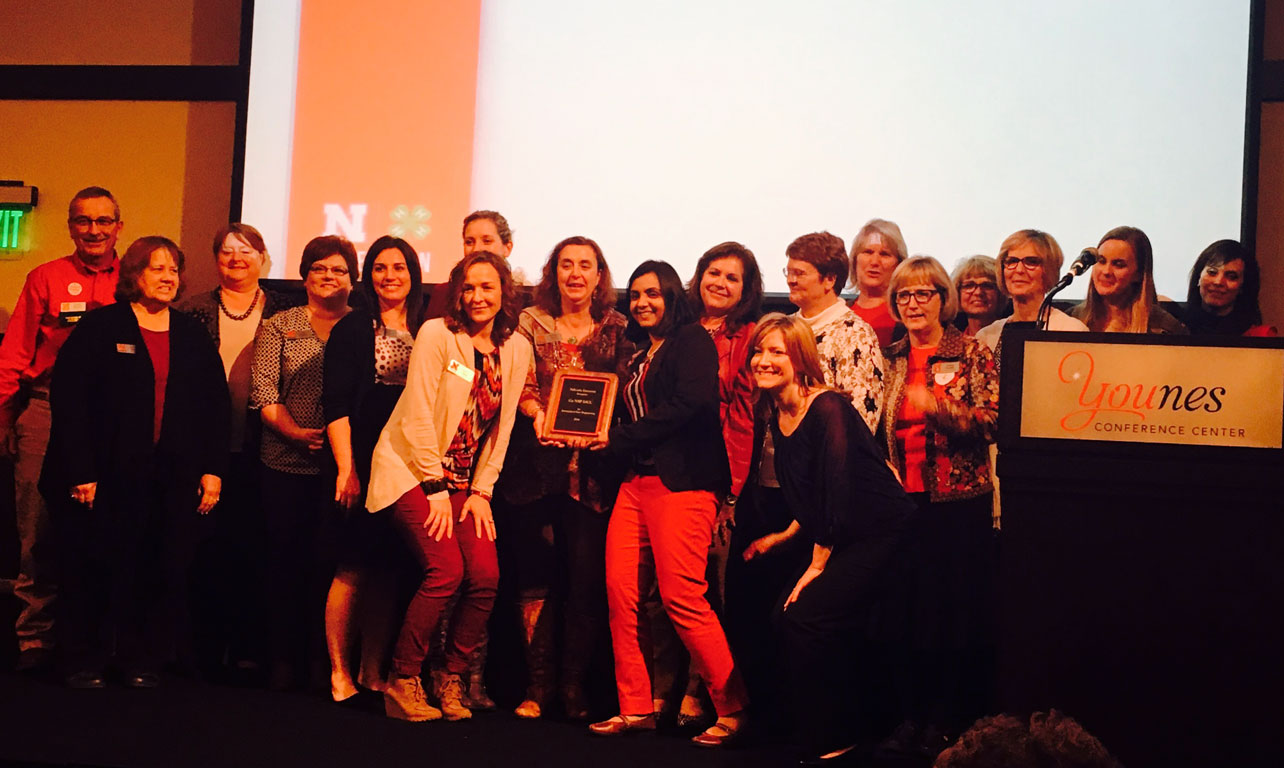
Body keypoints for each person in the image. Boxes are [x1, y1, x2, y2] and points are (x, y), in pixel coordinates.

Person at [43, 235, 229, 688]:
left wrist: (212, 468)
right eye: (156, 268)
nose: (167, 278)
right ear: (133, 275)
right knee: (93, 566)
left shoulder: (191, 334)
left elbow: (213, 406)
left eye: (173, 270)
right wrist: (81, 471)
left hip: (167, 478)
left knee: (157, 567)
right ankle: (83, 659)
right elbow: (70, 402)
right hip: (103, 477)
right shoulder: (101, 327)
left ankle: (141, 659)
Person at [366, 250, 532, 723]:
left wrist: (481, 492)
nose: (478, 296)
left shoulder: (516, 348)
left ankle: (450, 675)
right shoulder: (439, 334)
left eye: (488, 287)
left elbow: (499, 431)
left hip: (464, 481)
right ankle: (403, 678)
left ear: (505, 293)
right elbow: (418, 414)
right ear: (457, 292)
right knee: (446, 572)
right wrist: (435, 486)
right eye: (469, 287)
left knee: (486, 578)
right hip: (411, 471)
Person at [588, 261, 748, 748]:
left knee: (683, 597)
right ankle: (635, 707)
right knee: (621, 593)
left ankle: (734, 707)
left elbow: (692, 405)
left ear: (673, 295)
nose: (642, 302)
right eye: (635, 295)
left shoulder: (692, 340)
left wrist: (615, 438)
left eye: (652, 293)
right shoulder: (638, 352)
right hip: (636, 483)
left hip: (683, 484)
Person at [741, 314, 913, 764]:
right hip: (840, 532)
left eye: (777, 351)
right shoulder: (777, 410)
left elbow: (837, 490)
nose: (764, 360)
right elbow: (811, 488)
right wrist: (784, 535)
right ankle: (825, 729)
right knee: (785, 617)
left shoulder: (828, 408)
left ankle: (838, 738)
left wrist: (815, 567)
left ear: (800, 359)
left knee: (805, 618)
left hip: (881, 530)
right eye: (759, 351)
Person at [499, 235, 633, 719]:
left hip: (592, 474)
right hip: (532, 470)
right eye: (566, 265)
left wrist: (598, 428)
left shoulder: (618, 328)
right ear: (553, 272)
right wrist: (537, 413)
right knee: (534, 578)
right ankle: (538, 687)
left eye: (586, 266)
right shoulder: (527, 324)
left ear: (600, 275)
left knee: (583, 581)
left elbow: (620, 389)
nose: (575, 274)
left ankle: (573, 687)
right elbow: (520, 383)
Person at [878, 256, 1000, 759]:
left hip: (957, 504)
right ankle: (910, 715)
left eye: (923, 294)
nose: (912, 303)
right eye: (903, 295)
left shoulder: (969, 352)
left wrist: (940, 408)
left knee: (951, 616)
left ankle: (946, 720)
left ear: (942, 299)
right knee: (904, 616)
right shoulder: (891, 356)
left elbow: (994, 420)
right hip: (900, 502)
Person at [0, 187, 123, 673]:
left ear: (119, 225)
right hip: (46, 413)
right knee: (38, 530)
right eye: (82, 221)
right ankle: (35, 639)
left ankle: (97, 637)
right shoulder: (45, 278)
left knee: (110, 530)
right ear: (70, 227)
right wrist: (5, 418)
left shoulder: (134, 281)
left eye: (103, 221)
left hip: (111, 422)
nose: (93, 230)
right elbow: (13, 357)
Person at [650, 241, 762, 727]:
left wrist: (731, 489)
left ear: (747, 289)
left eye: (732, 278)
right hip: (662, 470)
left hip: (713, 478)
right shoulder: (674, 329)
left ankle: (709, 695)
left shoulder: (750, 338)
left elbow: (743, 419)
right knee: (657, 590)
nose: (719, 283)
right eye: (713, 273)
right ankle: (662, 690)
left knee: (701, 591)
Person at [178, 222, 296, 677]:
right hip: (204, 449)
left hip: (265, 448)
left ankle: (250, 649)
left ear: (264, 259)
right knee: (204, 551)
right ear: (215, 259)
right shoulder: (191, 313)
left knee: (255, 548)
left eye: (246, 251)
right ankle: (202, 649)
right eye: (226, 251)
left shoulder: (287, 312)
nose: (236, 258)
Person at [321, 235, 425, 702]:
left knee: (388, 567)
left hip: (409, 460)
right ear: (369, 276)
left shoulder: (429, 327)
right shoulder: (353, 328)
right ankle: (339, 671)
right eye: (380, 268)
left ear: (413, 273)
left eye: (399, 267)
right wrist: (347, 469)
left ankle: (371, 670)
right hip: (361, 456)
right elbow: (337, 405)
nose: (390, 276)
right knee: (353, 565)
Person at [251, 235, 357, 690]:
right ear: (304, 275)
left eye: (338, 270)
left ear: (352, 278)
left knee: (330, 566)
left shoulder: (363, 326)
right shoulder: (281, 324)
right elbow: (264, 393)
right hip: (283, 462)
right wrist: (295, 433)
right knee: (282, 563)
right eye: (319, 269)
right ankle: (281, 659)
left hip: (342, 470)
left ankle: (323, 660)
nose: (328, 277)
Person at [785, 231, 884, 433]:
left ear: (829, 280)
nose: (791, 281)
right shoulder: (784, 329)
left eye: (800, 273)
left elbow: (862, 419)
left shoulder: (855, 334)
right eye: (788, 272)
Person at [976, 231, 1088, 355]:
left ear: (1049, 270)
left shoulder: (1072, 331)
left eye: (1031, 262)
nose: (1019, 270)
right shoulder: (986, 337)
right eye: (1012, 261)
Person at [1072, 226, 1187, 334]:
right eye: (1101, 261)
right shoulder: (1072, 318)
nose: (1106, 271)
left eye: (1118, 265)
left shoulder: (1163, 327)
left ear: (1139, 274)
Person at [423, 210, 514, 321]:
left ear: (507, 248)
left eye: (487, 241)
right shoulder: (444, 293)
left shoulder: (518, 296)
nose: (476, 249)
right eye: (469, 242)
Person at [1181, 239, 1276, 336]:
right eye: (1212, 273)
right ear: (1198, 277)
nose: (1218, 282)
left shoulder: (1261, 336)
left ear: (1243, 286)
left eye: (1231, 277)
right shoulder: (1176, 330)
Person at [849, 218, 909, 347]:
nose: (875, 261)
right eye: (868, 252)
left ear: (899, 264)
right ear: (854, 260)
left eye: (885, 254)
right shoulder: (838, 313)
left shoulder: (908, 314)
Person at [951, 256, 1006, 337]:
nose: (978, 292)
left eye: (987, 285)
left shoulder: (1013, 338)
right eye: (969, 285)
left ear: (1000, 292)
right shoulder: (951, 343)